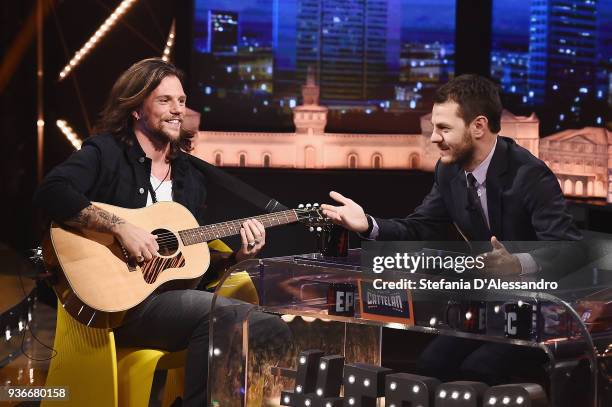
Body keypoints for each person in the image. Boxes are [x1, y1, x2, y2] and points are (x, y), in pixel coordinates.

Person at [34, 58, 290, 406]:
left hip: (171, 301)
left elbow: (191, 264)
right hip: (118, 307)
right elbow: (51, 191)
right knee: (227, 317)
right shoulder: (107, 153)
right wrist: (120, 227)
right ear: (136, 108)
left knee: (269, 325)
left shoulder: (190, 177)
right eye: (165, 100)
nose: (177, 110)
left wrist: (236, 257)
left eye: (181, 101)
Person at [321, 74, 583, 384]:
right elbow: (420, 227)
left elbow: (569, 248)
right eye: (434, 127)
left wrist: (518, 263)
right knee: (431, 363)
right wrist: (368, 225)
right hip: (490, 308)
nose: (433, 138)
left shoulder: (529, 175)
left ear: (479, 126)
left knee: (480, 370)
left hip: (541, 315)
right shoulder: (449, 172)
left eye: (444, 128)